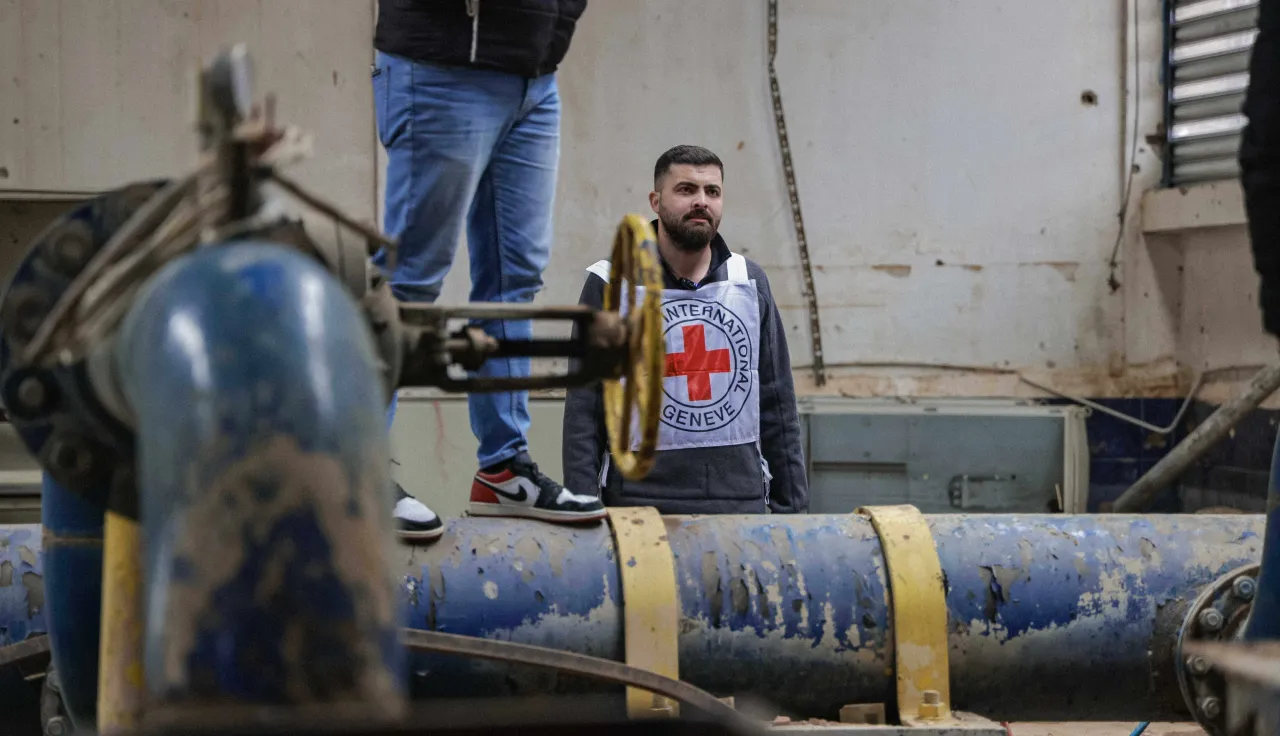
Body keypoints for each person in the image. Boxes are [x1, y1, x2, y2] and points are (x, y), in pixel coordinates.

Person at [372, 0, 607, 542]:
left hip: (535, 77)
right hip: (443, 68)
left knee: (514, 278)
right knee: (409, 281)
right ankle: (356, 470)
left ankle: (504, 468)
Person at [561, 145, 809, 514]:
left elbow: (778, 403)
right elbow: (585, 410)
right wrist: (583, 509)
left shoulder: (747, 281)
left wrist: (793, 513)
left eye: (713, 191)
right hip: (638, 510)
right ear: (656, 201)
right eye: (686, 189)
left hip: (740, 507)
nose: (701, 202)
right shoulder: (613, 283)